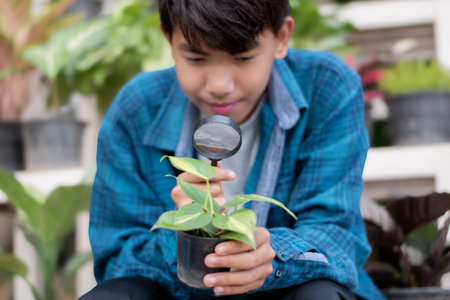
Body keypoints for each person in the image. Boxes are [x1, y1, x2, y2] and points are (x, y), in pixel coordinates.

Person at [81, 0, 385, 299]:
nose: (219, 85)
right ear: (169, 40)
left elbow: (338, 239)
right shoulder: (137, 107)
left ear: (281, 38)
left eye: (243, 58)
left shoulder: (325, 87)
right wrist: (183, 238)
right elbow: (116, 259)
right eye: (196, 59)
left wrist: (272, 257)